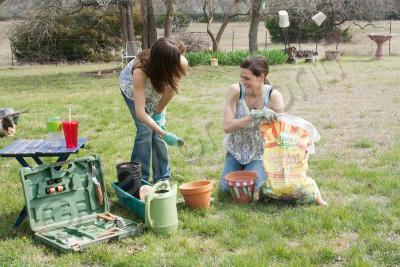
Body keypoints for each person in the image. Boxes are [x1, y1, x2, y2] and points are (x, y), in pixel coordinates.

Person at [119, 38, 188, 183]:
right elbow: (140, 112)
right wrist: (164, 134)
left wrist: (158, 114)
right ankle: (139, 179)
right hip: (131, 87)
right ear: (163, 63)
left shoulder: (178, 62)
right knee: (145, 130)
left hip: (156, 85)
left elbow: (169, 92)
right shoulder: (139, 71)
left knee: (158, 131)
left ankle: (162, 178)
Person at [220, 56, 284, 192]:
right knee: (226, 189)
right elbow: (227, 127)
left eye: (247, 78)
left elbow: (282, 131)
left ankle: (256, 168)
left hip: (259, 153)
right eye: (241, 77)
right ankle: (241, 168)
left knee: (250, 189)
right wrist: (252, 116)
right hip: (235, 151)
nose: (242, 82)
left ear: (261, 77)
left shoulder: (273, 96)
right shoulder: (235, 91)